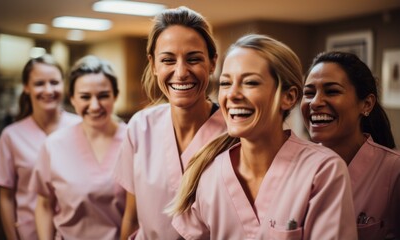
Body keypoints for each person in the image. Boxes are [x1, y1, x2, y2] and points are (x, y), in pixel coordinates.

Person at [169, 34, 358, 239]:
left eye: (250, 82)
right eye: (225, 83)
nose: (232, 94)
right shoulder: (209, 175)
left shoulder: (323, 171)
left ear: (288, 97)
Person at [113, 6, 227, 240]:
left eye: (194, 59)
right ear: (153, 64)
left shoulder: (234, 133)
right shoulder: (140, 127)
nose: (181, 72)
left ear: (213, 63)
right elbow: (131, 217)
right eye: (168, 60)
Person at [301, 51, 400, 239]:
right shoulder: (295, 168)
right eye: (309, 93)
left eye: (332, 91)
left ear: (367, 104)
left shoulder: (394, 172)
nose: (315, 102)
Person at [28, 55, 127, 240]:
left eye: (103, 95)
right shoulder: (54, 145)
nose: (95, 105)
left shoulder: (133, 141)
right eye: (85, 97)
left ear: (116, 96)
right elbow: (44, 205)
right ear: (72, 99)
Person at [0, 54, 81, 240]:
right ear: (26, 88)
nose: (48, 90)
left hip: (74, 232)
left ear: (64, 84)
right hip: (30, 233)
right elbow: (6, 197)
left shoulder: (80, 128)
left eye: (54, 82)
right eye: (39, 83)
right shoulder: (11, 136)